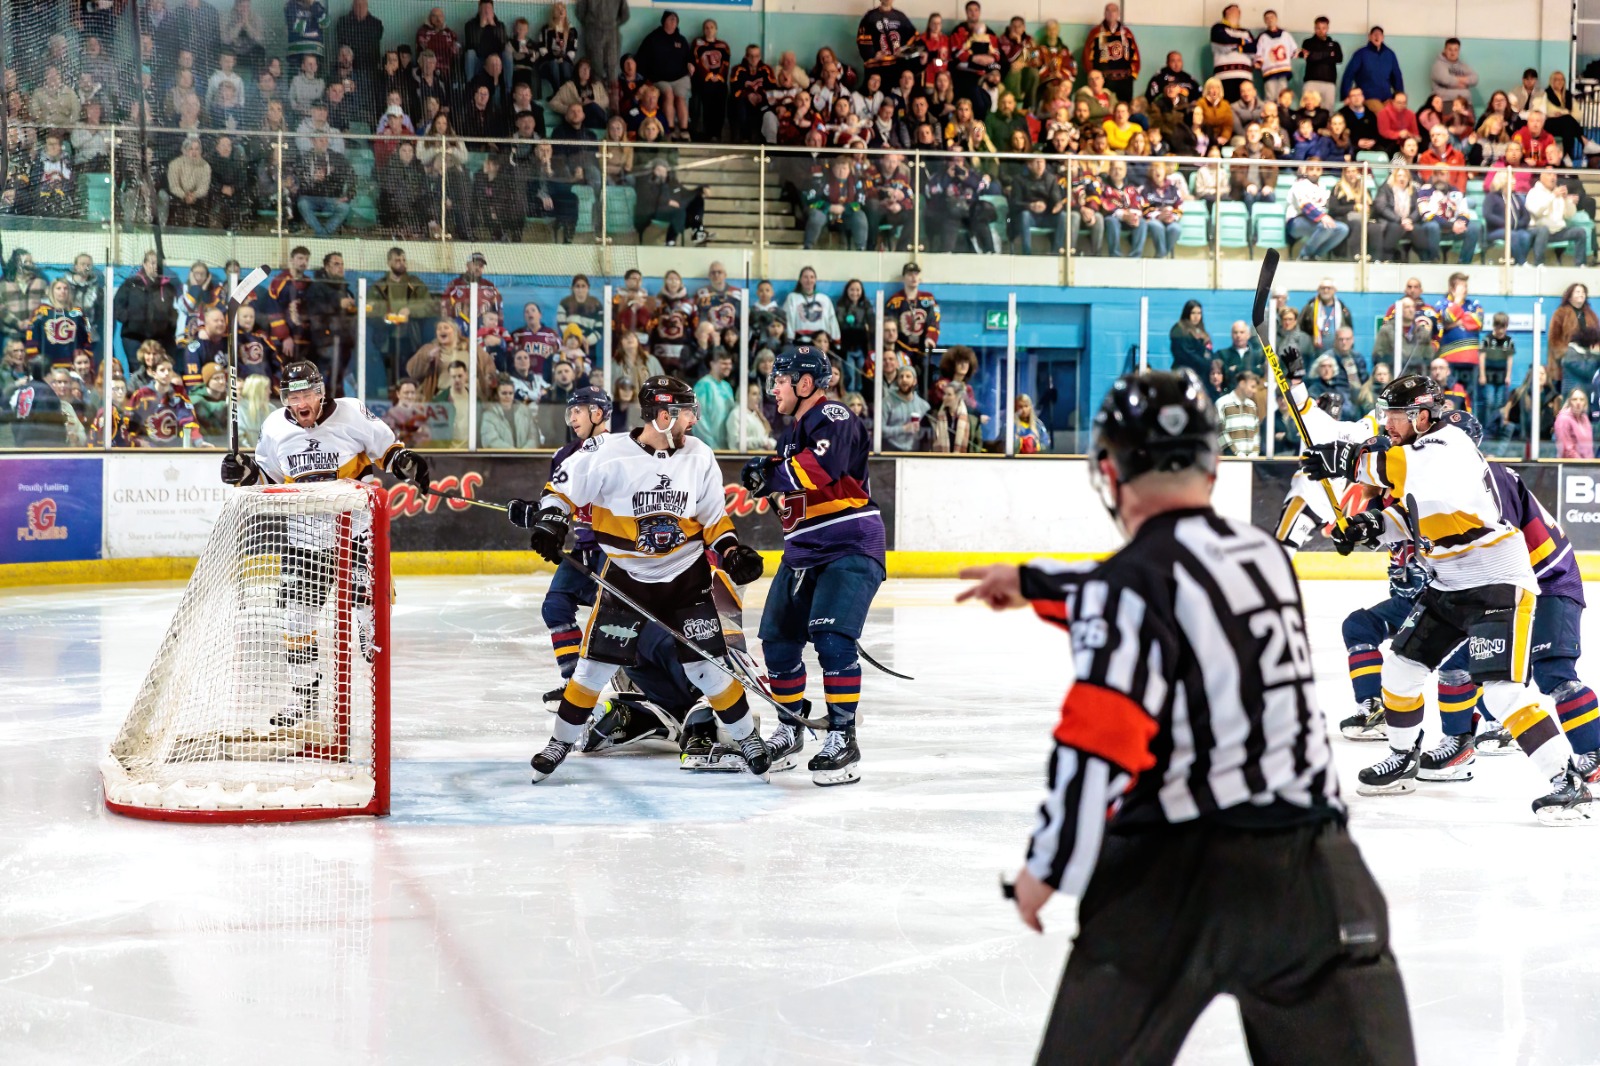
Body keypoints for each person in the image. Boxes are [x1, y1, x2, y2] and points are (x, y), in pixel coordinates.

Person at [957, 369, 1412, 1063]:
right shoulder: (1265, 556)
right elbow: (1164, 583)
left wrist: (1044, 870)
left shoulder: (1127, 585)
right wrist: (1036, 581)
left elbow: (1098, 739)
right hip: (1318, 880)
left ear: (1108, 471)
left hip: (1172, 880)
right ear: (1213, 465)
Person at [1301, 374, 1592, 819]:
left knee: (1500, 692)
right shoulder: (1417, 457)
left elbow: (1398, 467)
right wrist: (1367, 527)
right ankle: (1403, 757)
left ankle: (1565, 781)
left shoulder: (1448, 445)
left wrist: (1347, 460)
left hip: (1497, 582)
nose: (1387, 423)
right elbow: (1410, 516)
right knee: (1400, 669)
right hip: (1448, 583)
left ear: (1421, 415)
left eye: (1393, 415)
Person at [508, 376, 769, 782]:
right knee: (592, 668)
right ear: (663, 417)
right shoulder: (606, 452)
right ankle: (559, 742)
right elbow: (562, 489)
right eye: (685, 413)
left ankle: (747, 738)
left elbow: (714, 518)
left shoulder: (699, 455)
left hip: (686, 578)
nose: (693, 421)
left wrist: (732, 550)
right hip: (626, 581)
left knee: (708, 670)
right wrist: (551, 522)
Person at [220, 360, 427, 721]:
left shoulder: (351, 413)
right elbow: (267, 478)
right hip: (304, 538)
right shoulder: (273, 427)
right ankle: (303, 698)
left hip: (355, 531)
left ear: (321, 392)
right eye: (292, 395)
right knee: (295, 621)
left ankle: (368, 632)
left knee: (369, 612)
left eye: (307, 393)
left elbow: (388, 450)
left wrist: (407, 461)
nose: (300, 402)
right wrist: (244, 472)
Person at [741, 348, 885, 785]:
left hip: (849, 544)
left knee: (831, 636)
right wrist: (769, 483)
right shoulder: (790, 437)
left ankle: (843, 737)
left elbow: (819, 469)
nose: (774, 389)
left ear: (806, 384)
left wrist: (771, 474)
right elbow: (794, 502)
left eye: (781, 380)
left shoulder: (834, 414)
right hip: (804, 552)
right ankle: (791, 729)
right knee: (778, 641)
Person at [1082, 3, 1140, 103]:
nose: (1111, 14)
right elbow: (1087, 56)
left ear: (1118, 14)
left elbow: (1135, 56)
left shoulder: (1127, 33)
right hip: (1103, 81)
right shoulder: (1095, 33)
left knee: (1124, 108)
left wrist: (1133, 74)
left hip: (1124, 81)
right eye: (1108, 11)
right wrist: (1093, 77)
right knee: (1104, 107)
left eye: (1114, 11)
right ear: (1104, 13)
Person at [1340, 26, 1402, 105]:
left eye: (1379, 34)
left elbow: (1397, 76)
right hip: (1368, 97)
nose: (1377, 36)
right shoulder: (1361, 54)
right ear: (1369, 37)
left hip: (1387, 97)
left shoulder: (1390, 54)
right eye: (1374, 34)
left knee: (1392, 112)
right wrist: (1346, 95)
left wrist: (1399, 95)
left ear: (1383, 37)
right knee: (1380, 113)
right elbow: (1349, 74)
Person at [1556, 388, 1593, 458]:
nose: (1578, 402)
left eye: (1581, 399)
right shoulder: (1563, 419)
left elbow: (1589, 448)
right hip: (1571, 466)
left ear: (1585, 402)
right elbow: (1567, 449)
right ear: (1569, 401)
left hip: (1588, 466)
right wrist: (1582, 464)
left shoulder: (1585, 418)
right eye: (1575, 399)